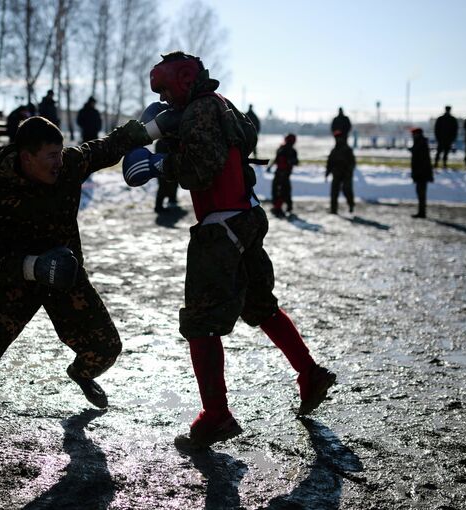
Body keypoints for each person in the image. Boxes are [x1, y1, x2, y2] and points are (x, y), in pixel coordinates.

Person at [0, 115, 153, 459]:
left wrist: (155, 127)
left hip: (66, 276)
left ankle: (80, 372)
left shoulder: (67, 167)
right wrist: (33, 267)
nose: (59, 161)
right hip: (17, 283)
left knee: (106, 347)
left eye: (60, 153)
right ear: (26, 156)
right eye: (50, 155)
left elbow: (106, 147)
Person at [122, 51, 336, 449]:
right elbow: (234, 145)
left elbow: (201, 169)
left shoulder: (201, 110)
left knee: (200, 322)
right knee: (260, 305)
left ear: (184, 79)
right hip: (246, 216)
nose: (165, 99)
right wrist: (168, 135)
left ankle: (216, 415)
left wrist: (158, 165)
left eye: (167, 89)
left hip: (222, 227)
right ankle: (311, 373)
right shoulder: (221, 104)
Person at [265, 134, 298, 217]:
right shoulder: (290, 150)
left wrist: (270, 167)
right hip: (283, 174)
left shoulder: (283, 149)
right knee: (284, 191)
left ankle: (279, 207)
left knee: (280, 191)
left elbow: (277, 159)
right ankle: (282, 207)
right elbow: (295, 162)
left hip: (281, 174)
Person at [325, 129, 356, 214]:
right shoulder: (334, 150)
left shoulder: (347, 150)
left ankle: (351, 205)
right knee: (334, 192)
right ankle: (333, 209)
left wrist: (348, 172)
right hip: (336, 173)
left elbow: (352, 163)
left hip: (346, 174)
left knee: (347, 190)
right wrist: (327, 172)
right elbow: (330, 162)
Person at [409, 127, 433, 218]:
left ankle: (422, 212)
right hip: (421, 174)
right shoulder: (421, 143)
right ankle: (421, 212)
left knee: (421, 194)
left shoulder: (420, 144)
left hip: (421, 174)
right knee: (420, 194)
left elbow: (421, 161)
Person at [154, 137, 179, 213]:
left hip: (165, 167)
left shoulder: (161, 142)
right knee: (163, 187)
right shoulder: (163, 142)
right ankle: (159, 206)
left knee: (172, 184)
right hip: (163, 168)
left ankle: (172, 200)